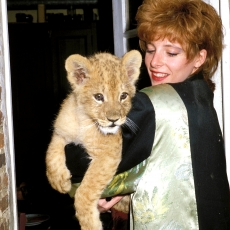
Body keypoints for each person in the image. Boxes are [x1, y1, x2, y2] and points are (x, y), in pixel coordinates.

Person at [64, 0, 230, 229]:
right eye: (150, 49)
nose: (154, 62)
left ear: (200, 59)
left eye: (171, 52)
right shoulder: (201, 96)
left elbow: (73, 162)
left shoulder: (153, 103)